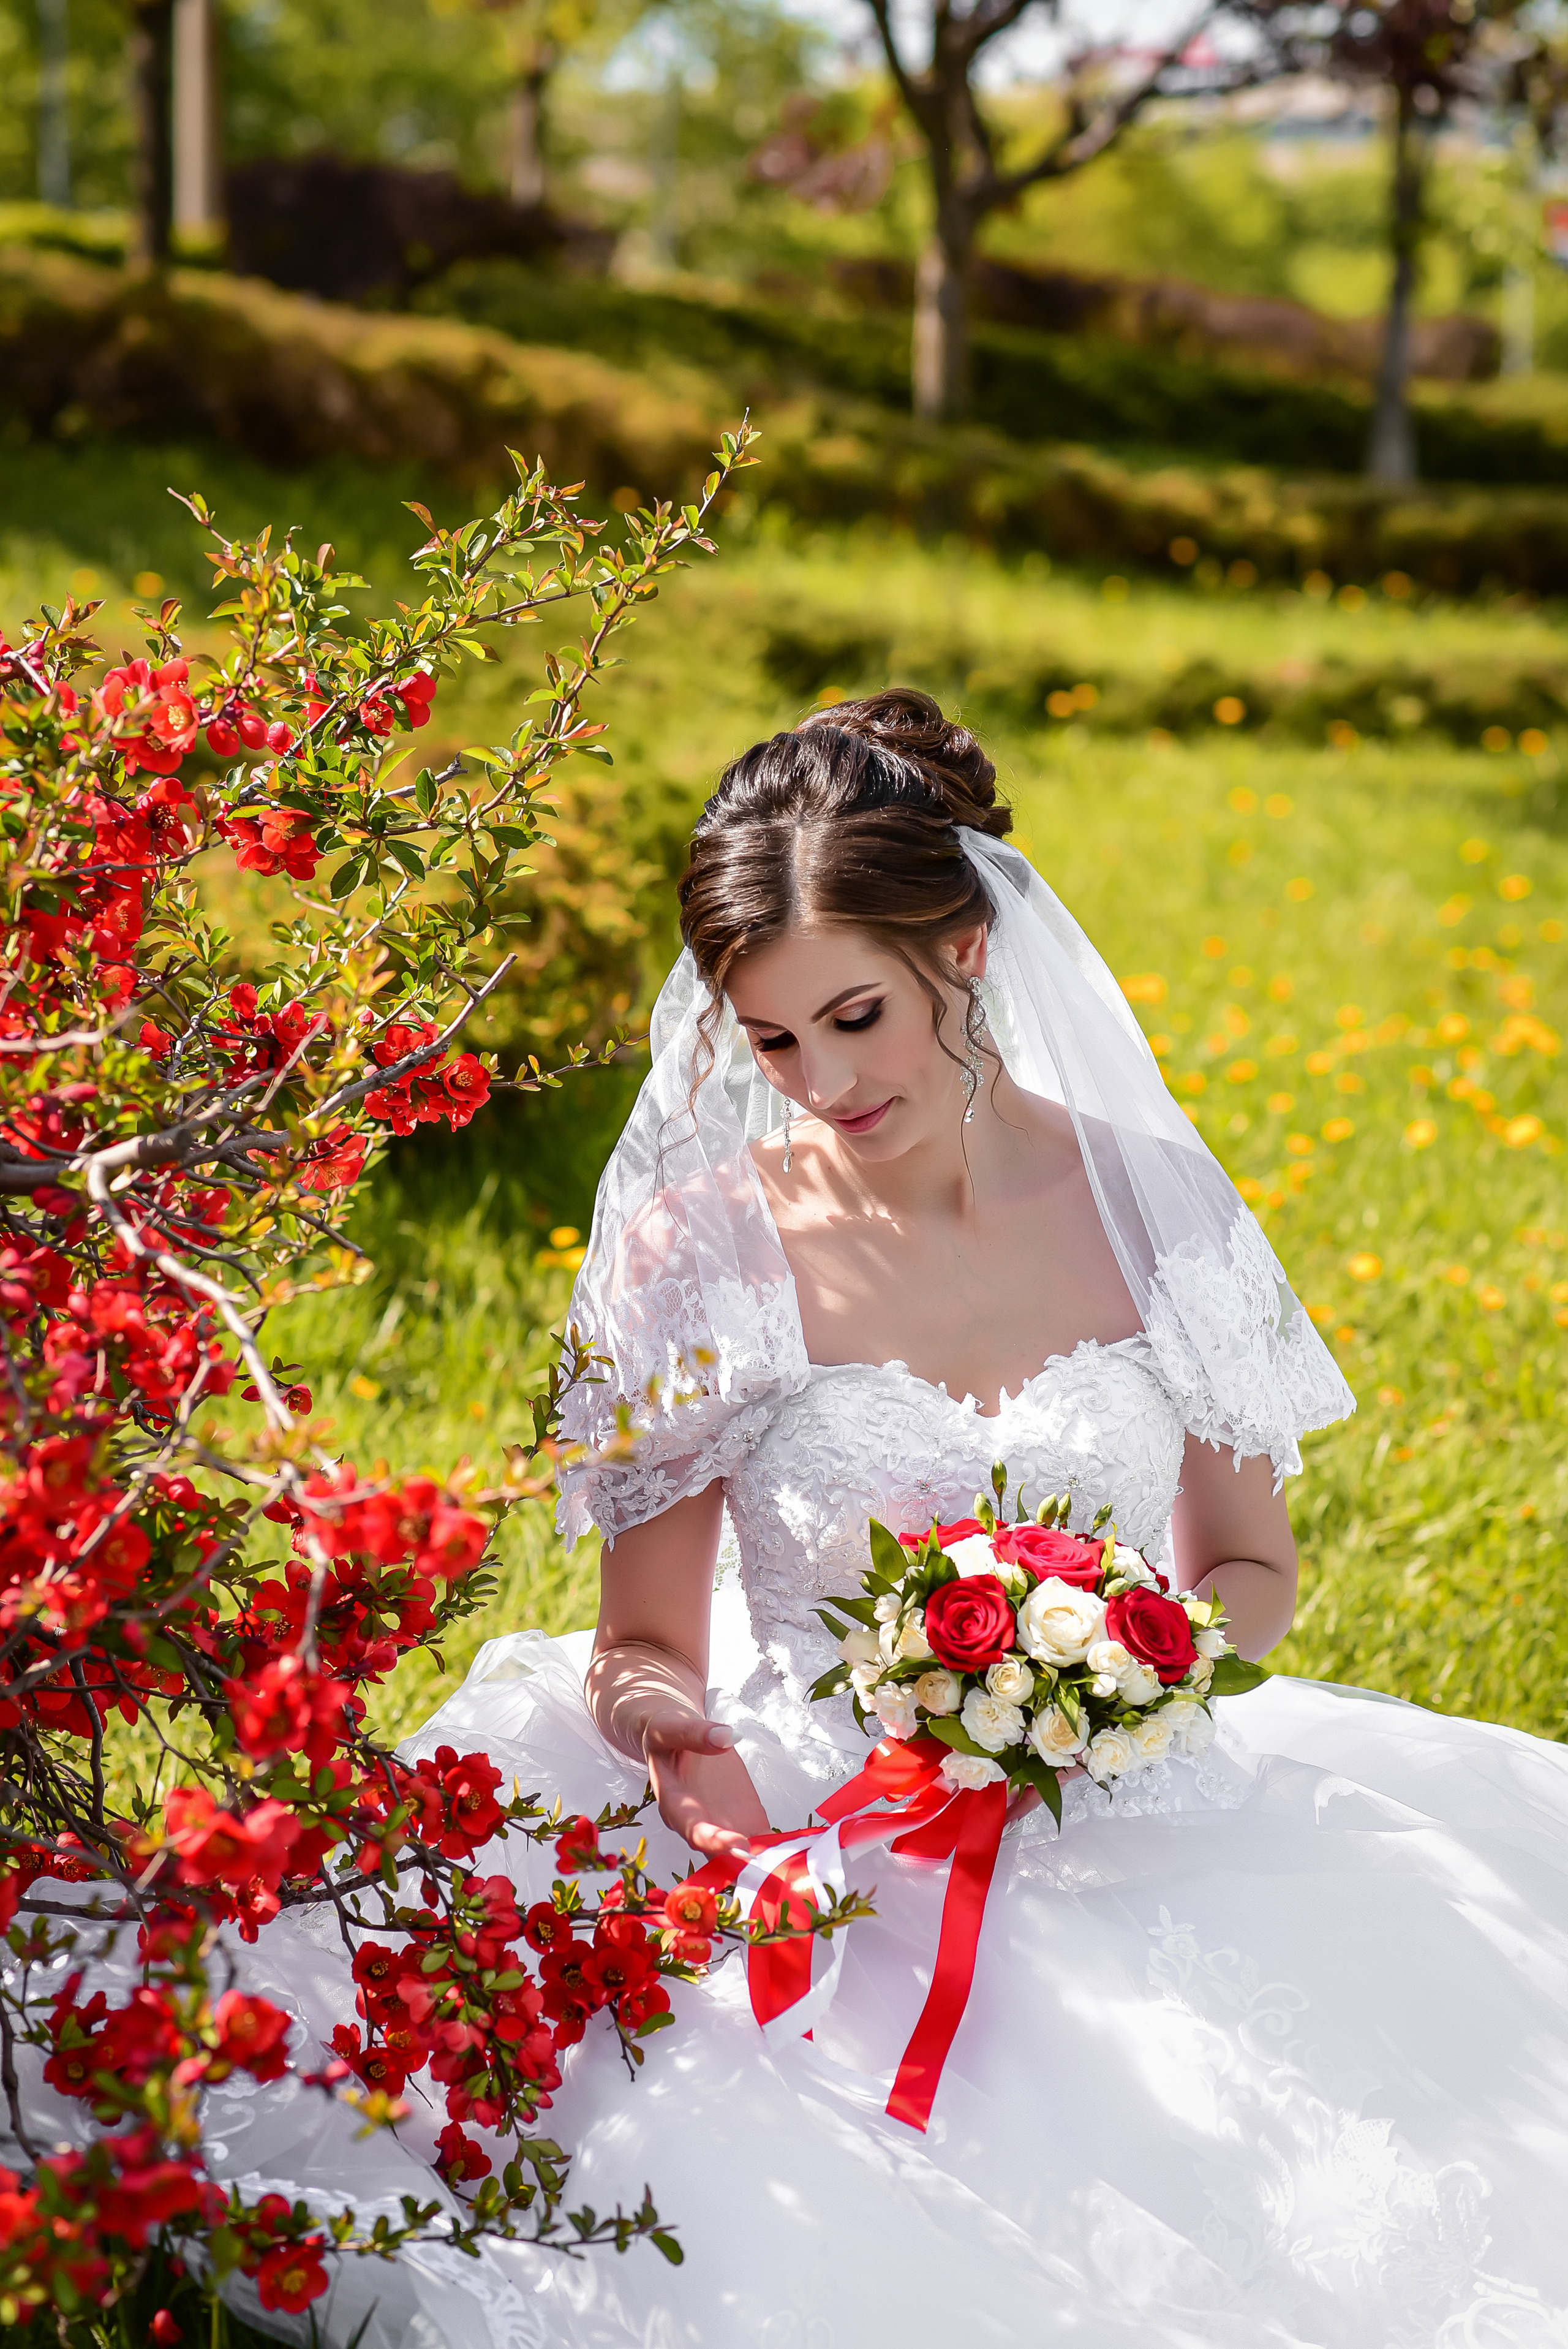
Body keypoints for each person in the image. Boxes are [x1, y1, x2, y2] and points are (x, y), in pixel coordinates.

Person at [94, 692, 1568, 2345]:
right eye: (774, 1041)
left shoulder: (1153, 1207)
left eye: (857, 1015)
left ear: (967, 945)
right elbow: (645, 1647)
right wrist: (733, 1828)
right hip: (814, 1800)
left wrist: (1120, 1684)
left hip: (1132, 1793)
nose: (821, 1081)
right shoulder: (703, 1252)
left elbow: (1249, 1561)